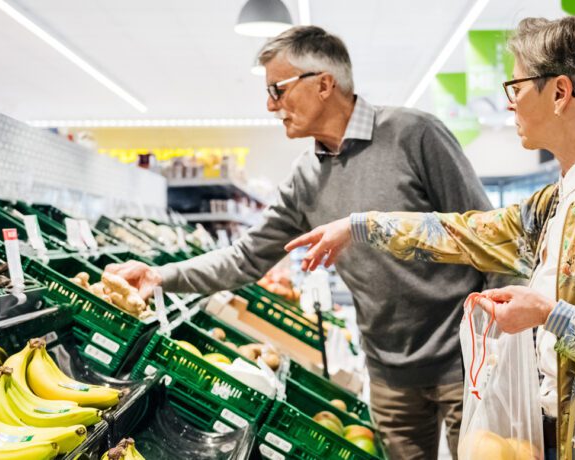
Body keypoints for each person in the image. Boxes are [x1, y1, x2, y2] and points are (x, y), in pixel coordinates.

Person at [285, 15, 575, 459]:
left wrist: (548, 314)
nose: (510, 104)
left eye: (517, 87)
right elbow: (471, 231)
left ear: (560, 93)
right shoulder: (561, 198)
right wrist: (359, 227)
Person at [107, 25, 502, 459]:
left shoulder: (414, 134)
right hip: (388, 371)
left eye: (278, 89)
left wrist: (502, 342)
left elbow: (488, 232)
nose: (270, 104)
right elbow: (245, 258)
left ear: (324, 84)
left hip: (465, 357)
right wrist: (159, 275)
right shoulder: (305, 178)